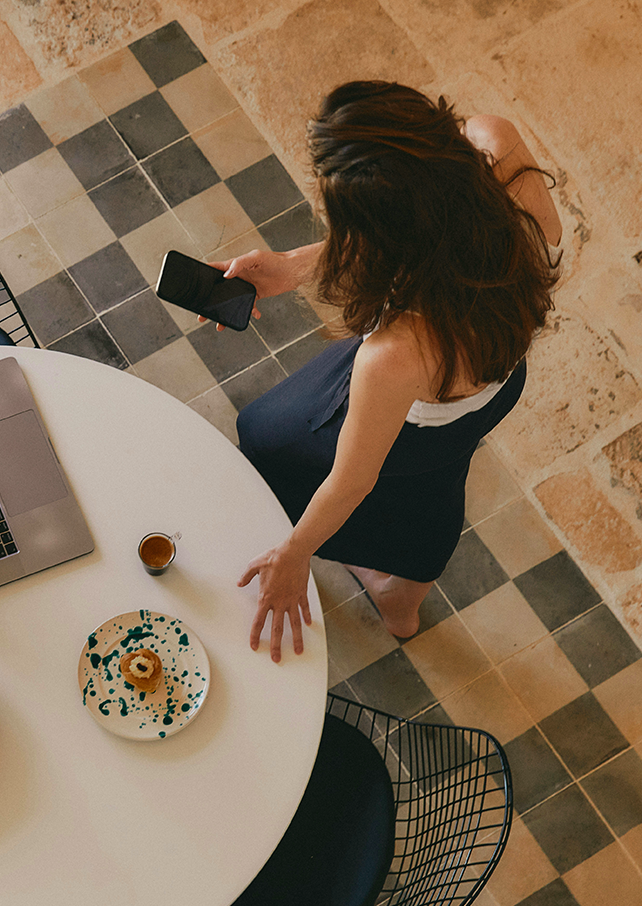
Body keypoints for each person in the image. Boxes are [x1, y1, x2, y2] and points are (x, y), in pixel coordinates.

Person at [216, 81, 561, 662]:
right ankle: (400, 606)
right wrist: (292, 266)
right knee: (435, 484)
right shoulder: (495, 145)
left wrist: (294, 555)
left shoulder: (394, 356)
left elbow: (352, 482)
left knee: (263, 435)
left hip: (422, 399)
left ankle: (379, 577)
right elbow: (428, 231)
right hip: (498, 379)